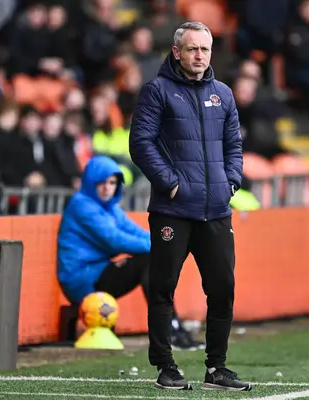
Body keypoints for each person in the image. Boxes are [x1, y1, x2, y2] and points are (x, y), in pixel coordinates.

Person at [129, 22, 251, 391]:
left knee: (223, 287)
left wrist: (231, 180)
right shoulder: (157, 91)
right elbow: (141, 143)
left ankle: (217, 369)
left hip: (216, 210)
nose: (199, 56)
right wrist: (171, 183)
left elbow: (234, 145)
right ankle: (165, 366)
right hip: (173, 211)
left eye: (205, 49)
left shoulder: (224, 94)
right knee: (163, 287)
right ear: (177, 51)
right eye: (193, 49)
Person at [56, 155, 203, 350]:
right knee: (149, 261)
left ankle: (171, 327)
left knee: (152, 260)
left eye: (112, 182)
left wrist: (165, 243)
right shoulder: (82, 205)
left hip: (97, 271)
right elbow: (115, 239)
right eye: (101, 182)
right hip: (81, 279)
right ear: (91, 182)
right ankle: (168, 330)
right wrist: (161, 247)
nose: (107, 187)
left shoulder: (108, 207)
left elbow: (133, 231)